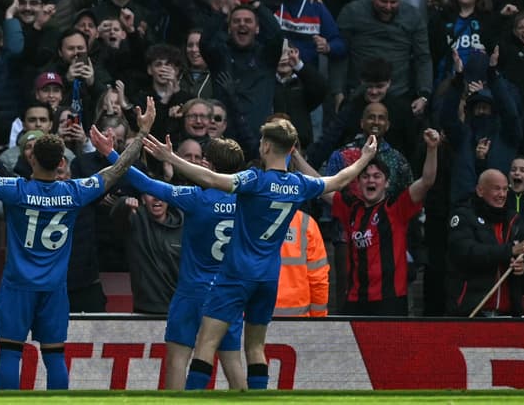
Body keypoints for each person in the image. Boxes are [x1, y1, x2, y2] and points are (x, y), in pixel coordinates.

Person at [0, 96, 156, 390]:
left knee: (10, 353)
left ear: (31, 158)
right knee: (55, 357)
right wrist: (142, 133)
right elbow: (117, 170)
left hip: (18, 286)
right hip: (55, 288)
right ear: (61, 162)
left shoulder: (15, 189)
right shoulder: (75, 191)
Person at [144, 118, 378, 390]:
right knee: (255, 347)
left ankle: (195, 399)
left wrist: (170, 157)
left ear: (266, 146)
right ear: (292, 150)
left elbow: (210, 178)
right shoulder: (299, 184)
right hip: (268, 278)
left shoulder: (255, 179)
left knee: (206, 344)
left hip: (237, 273)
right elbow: (340, 179)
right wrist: (365, 157)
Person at [94, 134, 247, 390]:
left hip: (192, 290)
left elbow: (144, 182)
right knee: (232, 361)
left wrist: (111, 154)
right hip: (228, 292)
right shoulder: (248, 201)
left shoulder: (195, 197)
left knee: (178, 359)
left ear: (207, 165)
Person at [323, 129, 440, 316]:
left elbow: (427, 181)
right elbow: (320, 186)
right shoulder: (351, 208)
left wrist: (432, 148)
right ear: (359, 183)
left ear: (386, 183)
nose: (371, 180)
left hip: (390, 300)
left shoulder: (397, 207)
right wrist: (295, 157)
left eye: (377, 176)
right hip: (355, 300)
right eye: (366, 177)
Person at [446, 169, 524, 316]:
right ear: (480, 191)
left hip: (509, 312)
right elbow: (467, 252)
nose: (502, 195)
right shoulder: (463, 216)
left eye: (505, 189)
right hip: (472, 311)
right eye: (496, 189)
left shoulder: (514, 219)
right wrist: (510, 251)